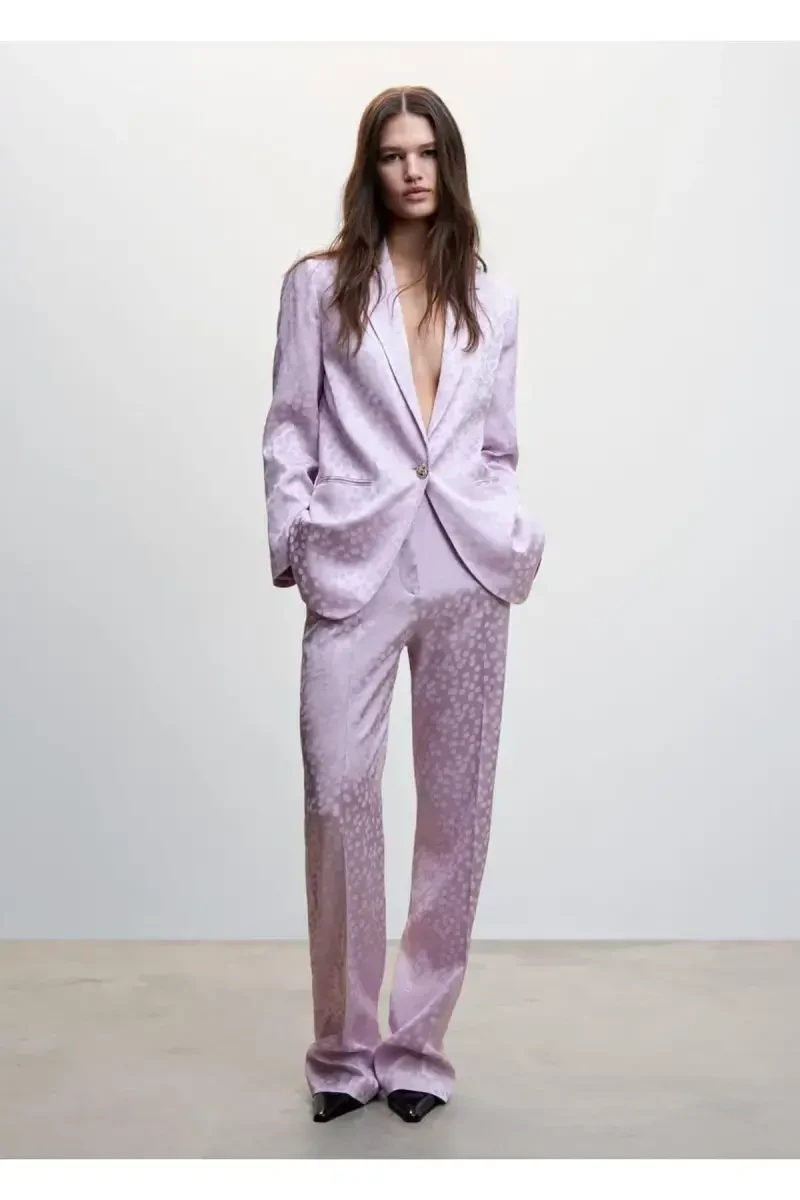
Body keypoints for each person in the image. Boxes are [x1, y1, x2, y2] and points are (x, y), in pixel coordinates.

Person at [261, 85, 545, 1125]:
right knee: (339, 792)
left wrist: (506, 522)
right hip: (355, 562)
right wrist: (297, 537)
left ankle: (418, 1046)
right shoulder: (318, 286)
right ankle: (343, 1050)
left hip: (467, 568)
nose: (412, 170)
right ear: (369, 169)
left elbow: (495, 444)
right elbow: (288, 427)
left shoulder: (492, 299)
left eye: (427, 152)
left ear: (447, 163)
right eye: (392, 154)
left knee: (454, 813)